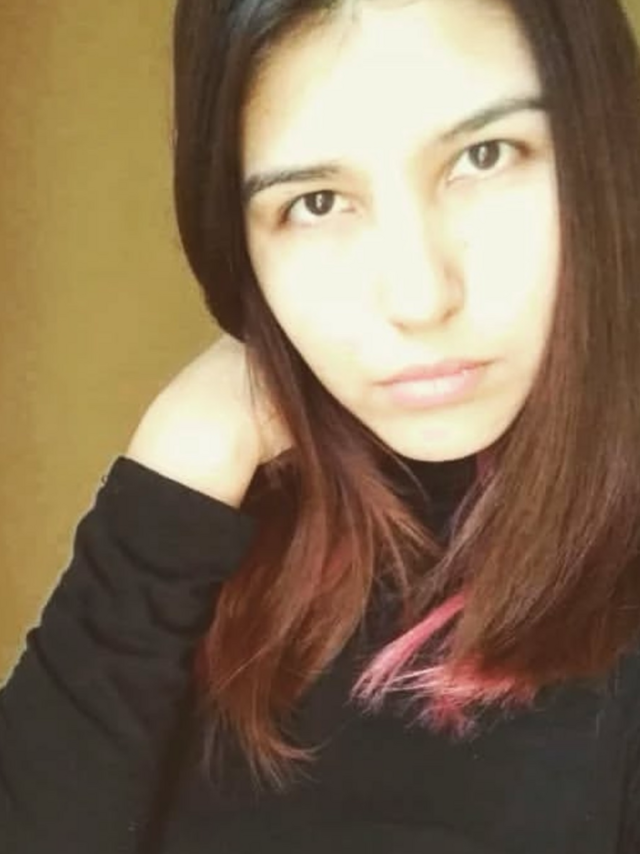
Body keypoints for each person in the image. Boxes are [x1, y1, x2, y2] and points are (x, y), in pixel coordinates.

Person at [3, 0, 640, 850]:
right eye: (315, 201)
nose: (419, 298)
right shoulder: (226, 516)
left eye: (483, 156)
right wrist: (176, 473)